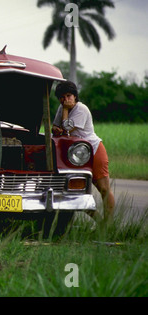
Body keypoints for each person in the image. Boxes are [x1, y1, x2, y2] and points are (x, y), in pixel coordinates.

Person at [52, 81, 115, 222]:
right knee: (76, 191)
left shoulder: (81, 109)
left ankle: (109, 225)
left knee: (104, 188)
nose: (65, 100)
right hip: (75, 155)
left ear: (75, 96)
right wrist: (56, 128)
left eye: (69, 96)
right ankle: (100, 222)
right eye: (62, 97)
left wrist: (66, 111)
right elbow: (56, 128)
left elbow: (67, 129)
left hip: (93, 149)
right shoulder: (61, 108)